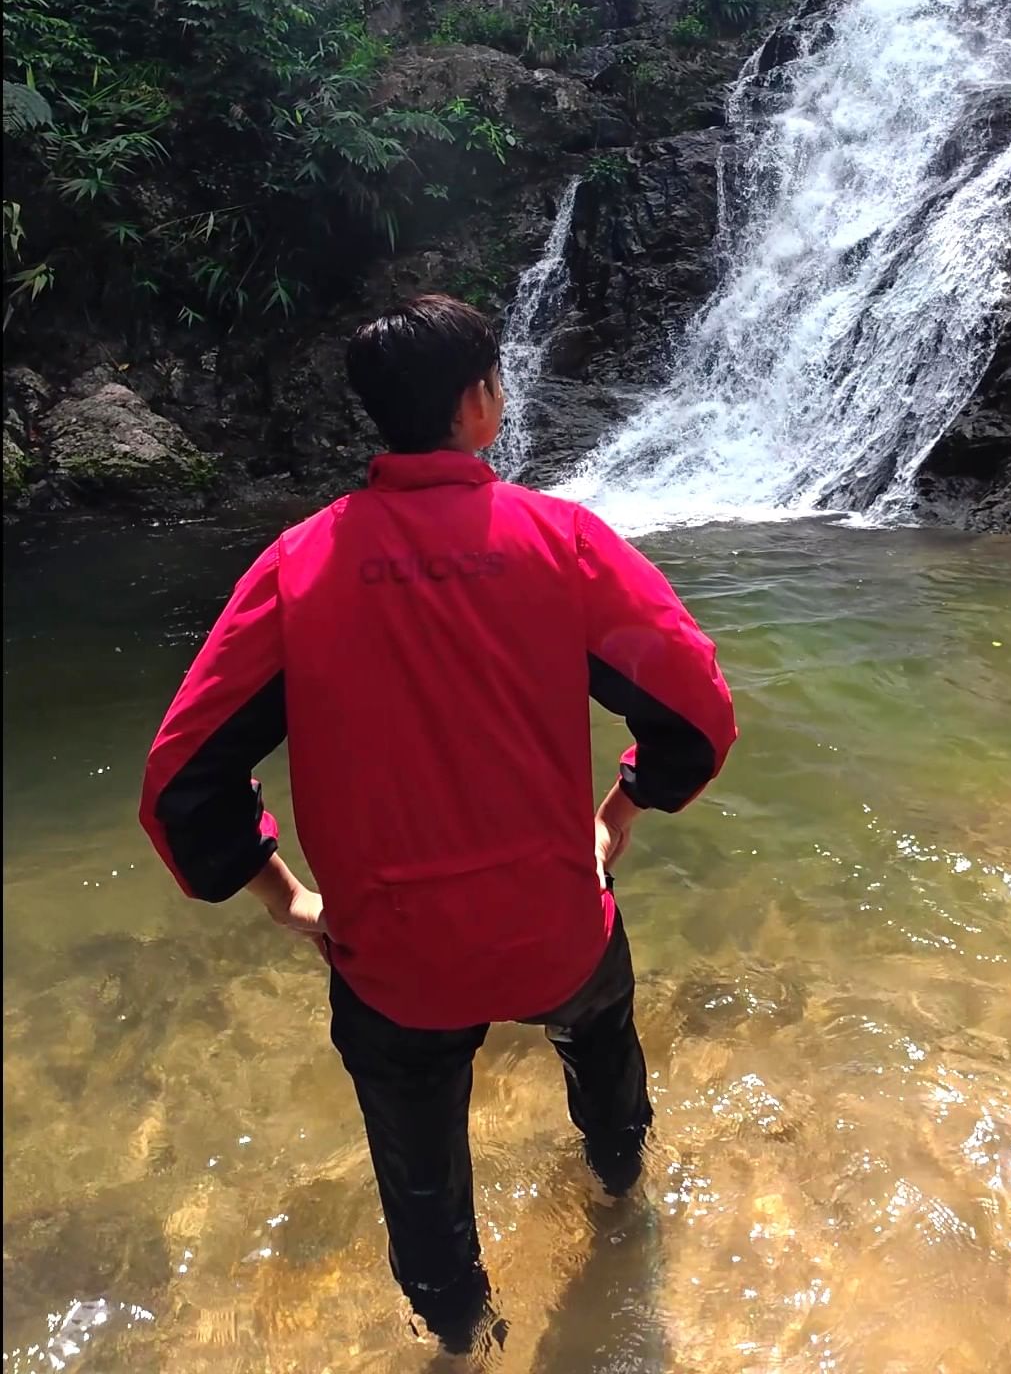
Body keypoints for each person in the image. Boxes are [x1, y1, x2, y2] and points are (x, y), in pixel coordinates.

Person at [139, 296, 736, 1357]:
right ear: (480, 404)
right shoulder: (564, 542)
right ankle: (617, 1199)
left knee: (421, 1183)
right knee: (602, 1053)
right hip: (558, 927)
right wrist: (620, 814)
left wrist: (287, 899)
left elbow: (184, 780)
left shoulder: (296, 568)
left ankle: (459, 1333)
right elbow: (696, 707)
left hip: (393, 963)